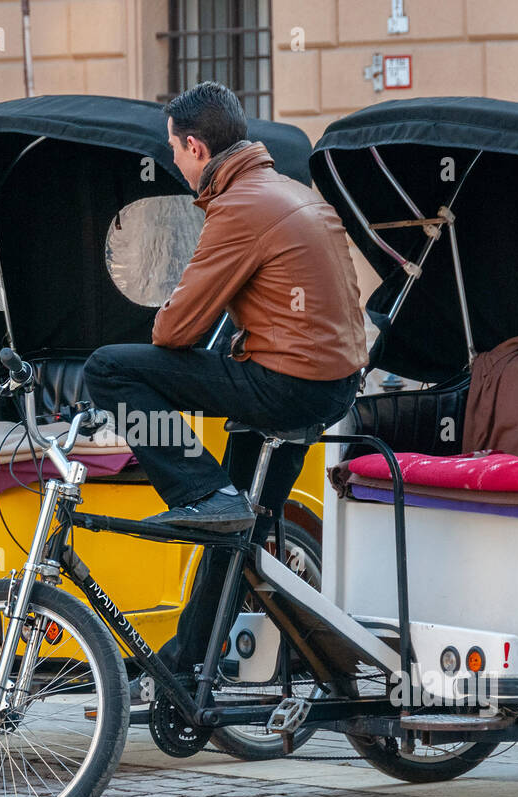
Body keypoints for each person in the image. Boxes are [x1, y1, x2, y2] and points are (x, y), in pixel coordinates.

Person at [83, 82, 367, 678]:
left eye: (173, 150)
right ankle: (190, 663)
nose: (172, 163)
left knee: (108, 368)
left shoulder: (240, 206)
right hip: (325, 386)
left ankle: (199, 493)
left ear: (195, 147)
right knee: (240, 530)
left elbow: (174, 331)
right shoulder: (288, 192)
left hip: (286, 386)